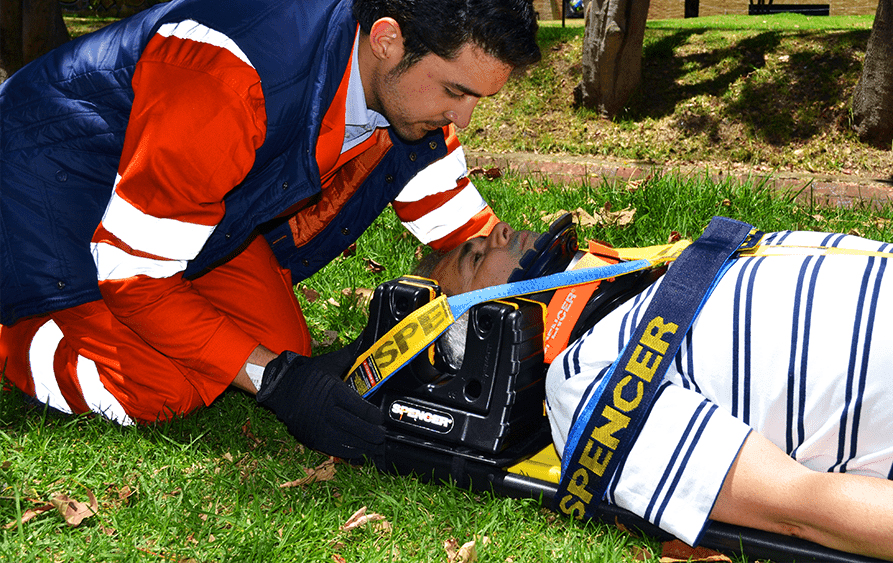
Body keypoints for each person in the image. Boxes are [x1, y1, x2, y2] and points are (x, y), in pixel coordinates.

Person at [0, 0, 540, 461]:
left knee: (279, 346)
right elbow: (134, 276)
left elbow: (467, 234)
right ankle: (13, 331)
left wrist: (549, 286)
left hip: (181, 210)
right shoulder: (228, 78)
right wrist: (276, 382)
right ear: (387, 40)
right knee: (160, 386)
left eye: (477, 98)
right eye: (456, 91)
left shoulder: (399, 93)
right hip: (47, 184)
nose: (463, 118)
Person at [418, 219, 893, 563]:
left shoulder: (643, 277)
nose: (498, 231)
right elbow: (803, 507)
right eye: (475, 256)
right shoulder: (587, 383)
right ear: (479, 333)